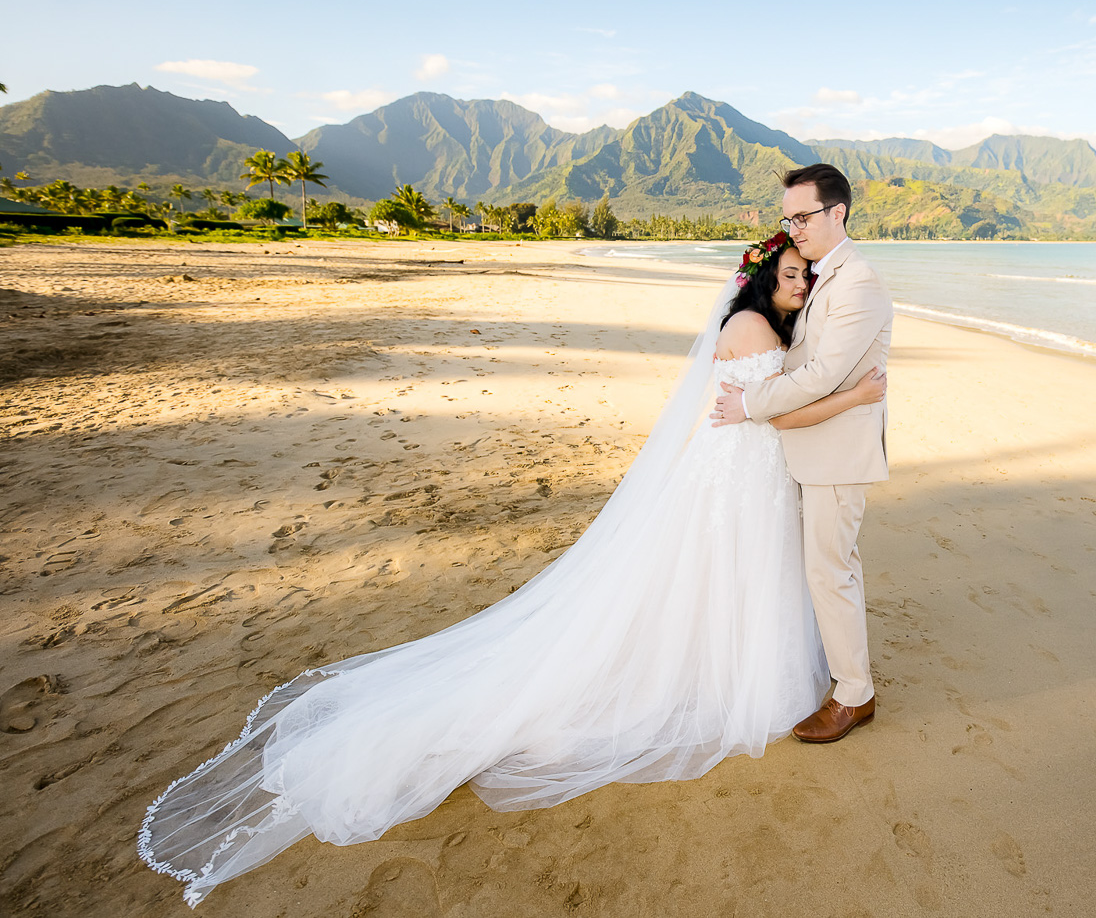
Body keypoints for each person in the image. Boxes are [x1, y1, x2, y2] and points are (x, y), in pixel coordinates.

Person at [139, 232, 885, 907]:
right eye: (788, 274)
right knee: (714, 574)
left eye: (805, 275)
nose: (799, 285)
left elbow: (767, 401)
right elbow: (777, 409)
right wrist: (855, 393)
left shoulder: (763, 324)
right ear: (759, 281)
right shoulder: (752, 326)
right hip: (737, 472)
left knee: (726, 575)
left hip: (742, 472)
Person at [712, 163, 893, 743]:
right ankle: (851, 680)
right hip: (814, 450)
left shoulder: (857, 282)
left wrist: (752, 403)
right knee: (834, 568)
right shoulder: (824, 276)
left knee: (828, 571)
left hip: (837, 455)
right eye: (788, 217)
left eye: (805, 216)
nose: (796, 227)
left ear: (837, 212)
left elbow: (821, 374)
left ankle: (852, 698)